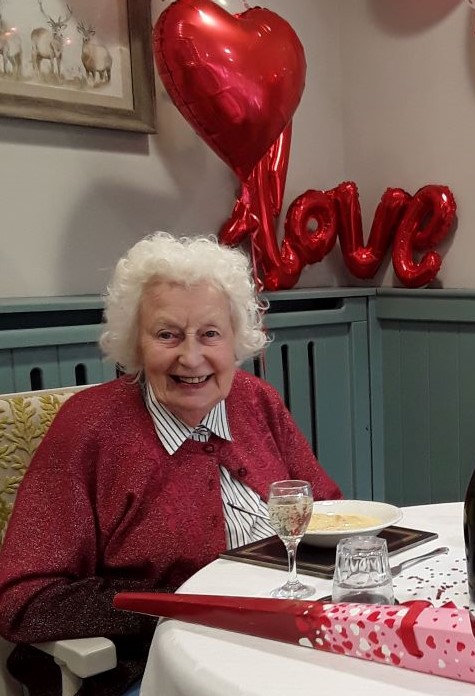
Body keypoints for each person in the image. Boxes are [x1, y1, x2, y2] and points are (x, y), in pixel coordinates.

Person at [0, 233, 343, 696]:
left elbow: (327, 514)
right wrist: (170, 608)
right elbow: (23, 598)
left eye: (210, 334)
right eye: (167, 335)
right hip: (151, 668)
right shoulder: (91, 427)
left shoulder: (256, 401)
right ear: (135, 343)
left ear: (236, 339)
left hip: (284, 647)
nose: (191, 357)